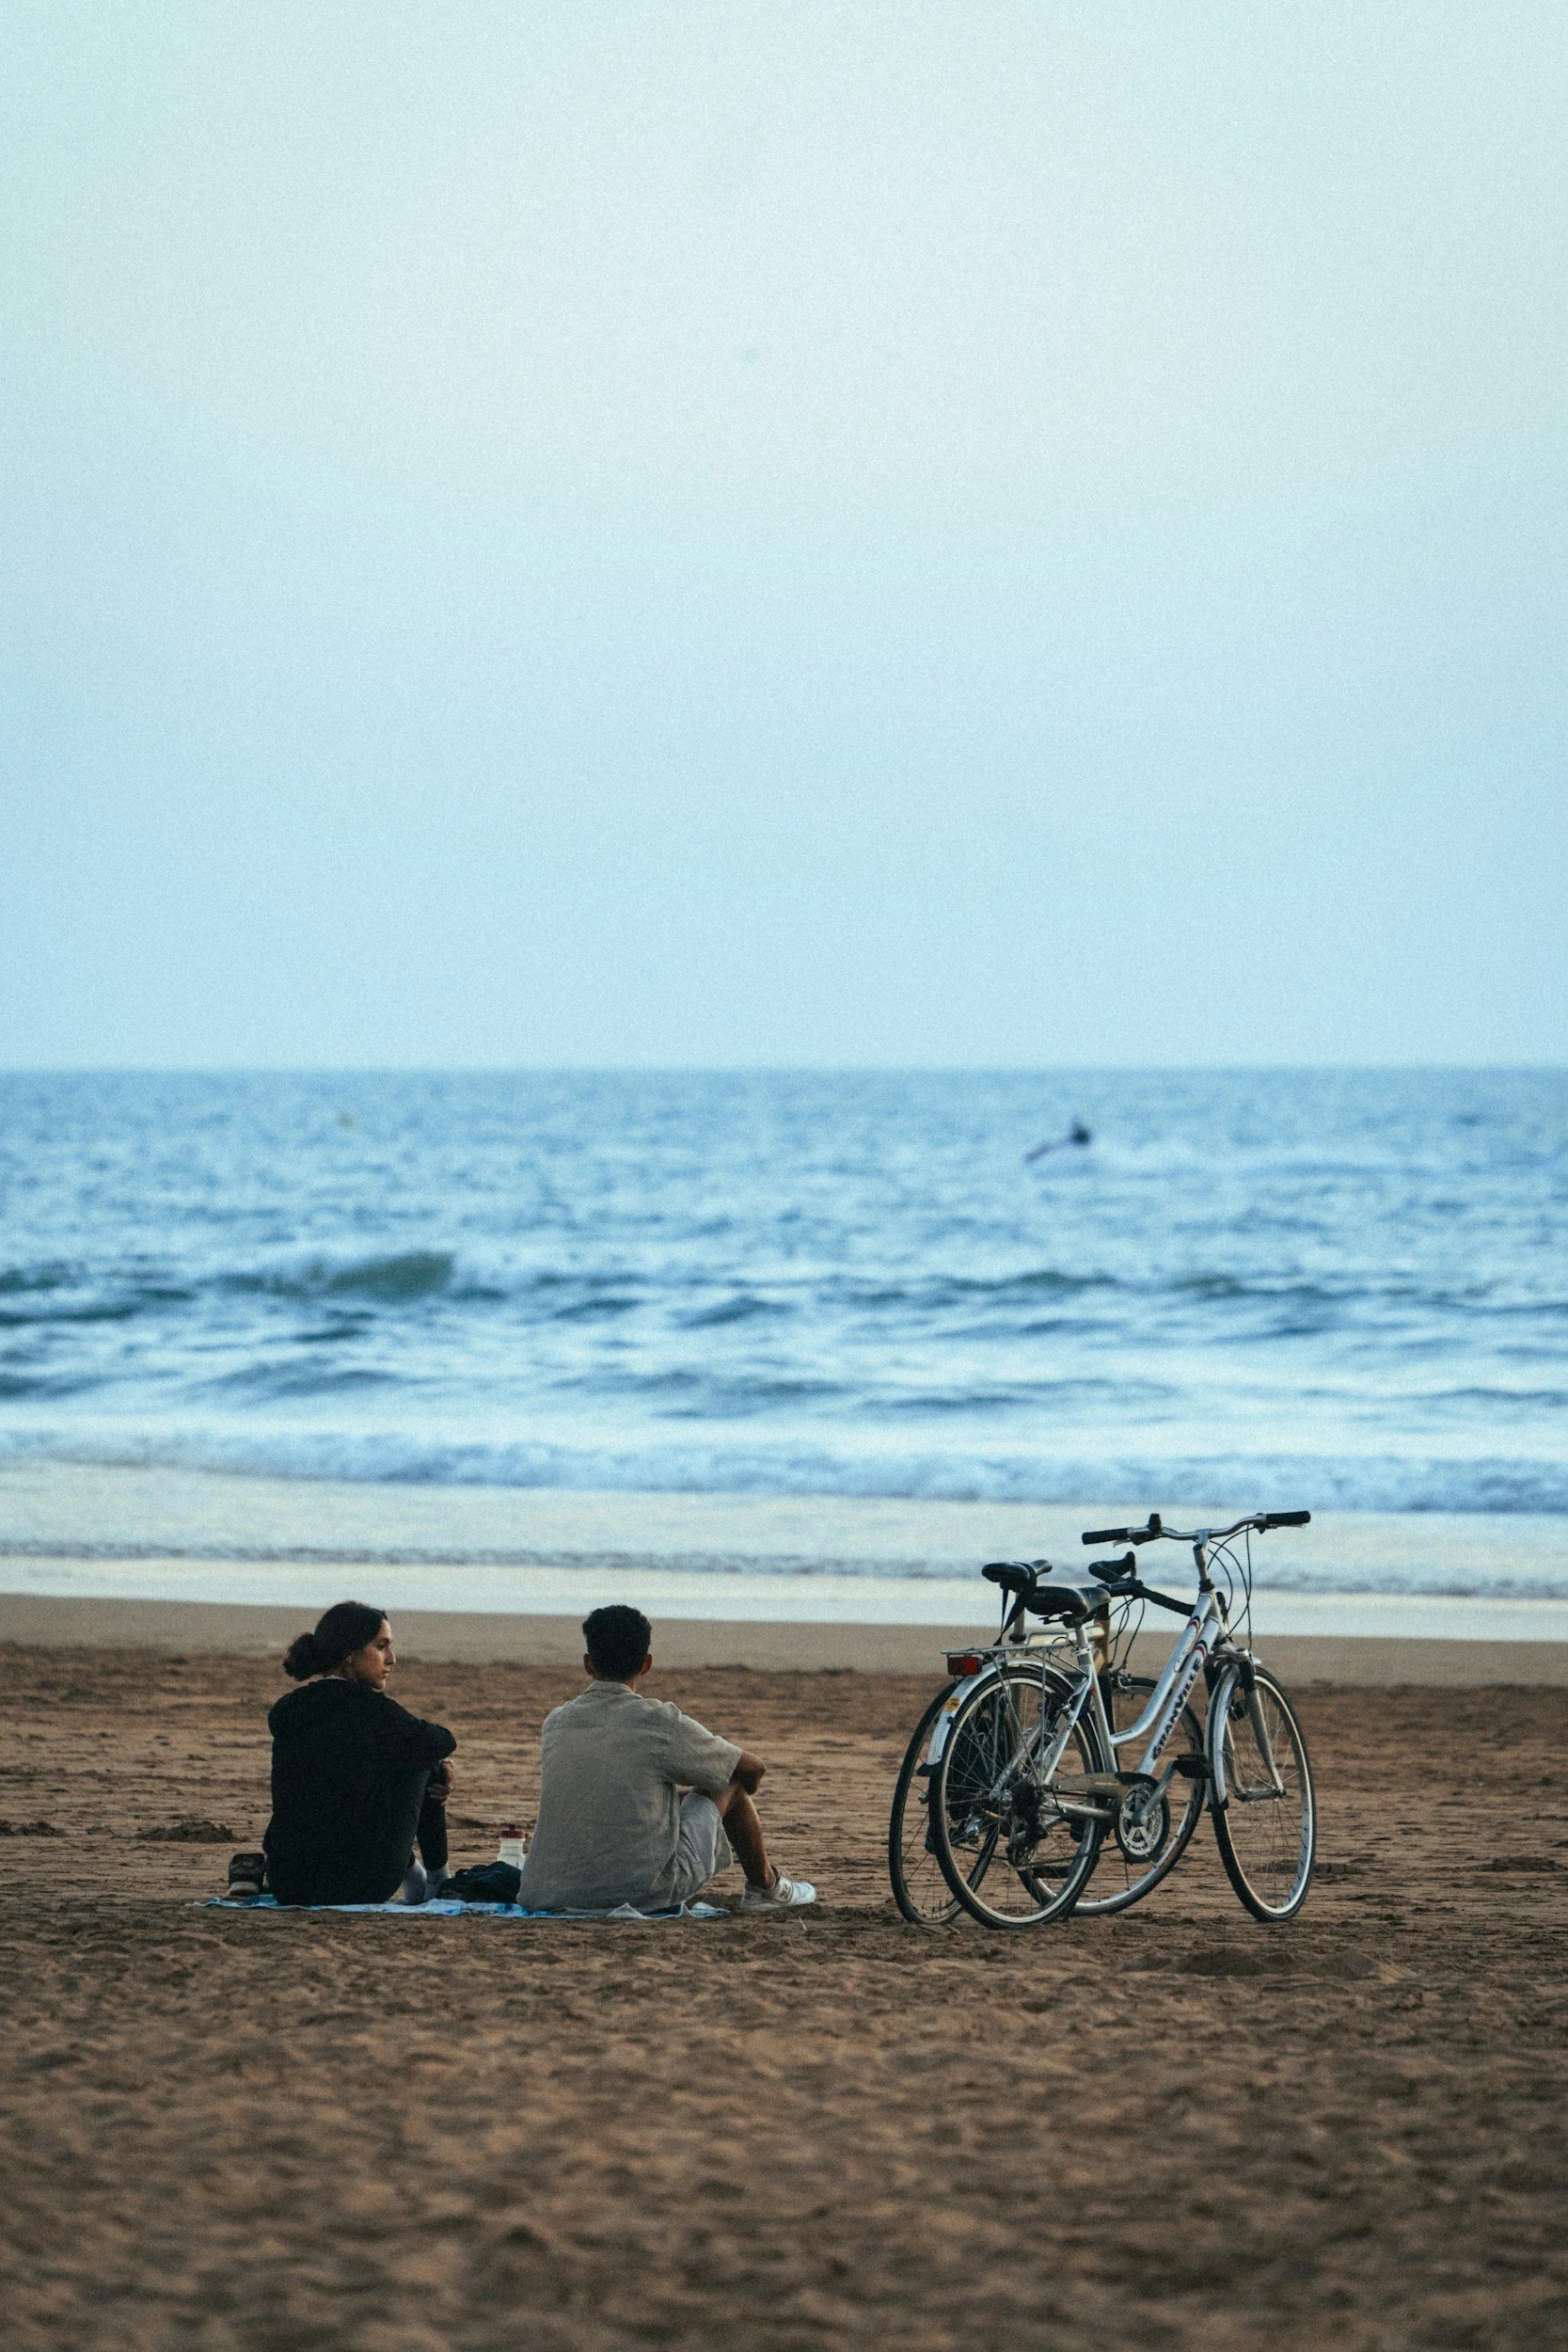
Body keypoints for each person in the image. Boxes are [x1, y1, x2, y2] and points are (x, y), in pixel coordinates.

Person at [516, 1604, 816, 1915]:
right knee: (727, 1778)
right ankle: (765, 1888)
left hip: (545, 1891)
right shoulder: (659, 1721)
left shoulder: (557, 1721)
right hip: (638, 1893)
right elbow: (752, 1767)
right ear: (645, 1665)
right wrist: (728, 1800)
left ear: (588, 1664)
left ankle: (761, 1884)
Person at [259, 1601, 457, 1906]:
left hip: (287, 1880)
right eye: (381, 1647)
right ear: (349, 1654)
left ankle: (419, 1875)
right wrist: (440, 1765)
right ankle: (435, 1879)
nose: (391, 1659)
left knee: (388, 1758)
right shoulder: (372, 1711)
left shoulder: (288, 1708)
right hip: (359, 1882)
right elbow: (443, 1740)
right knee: (425, 1760)